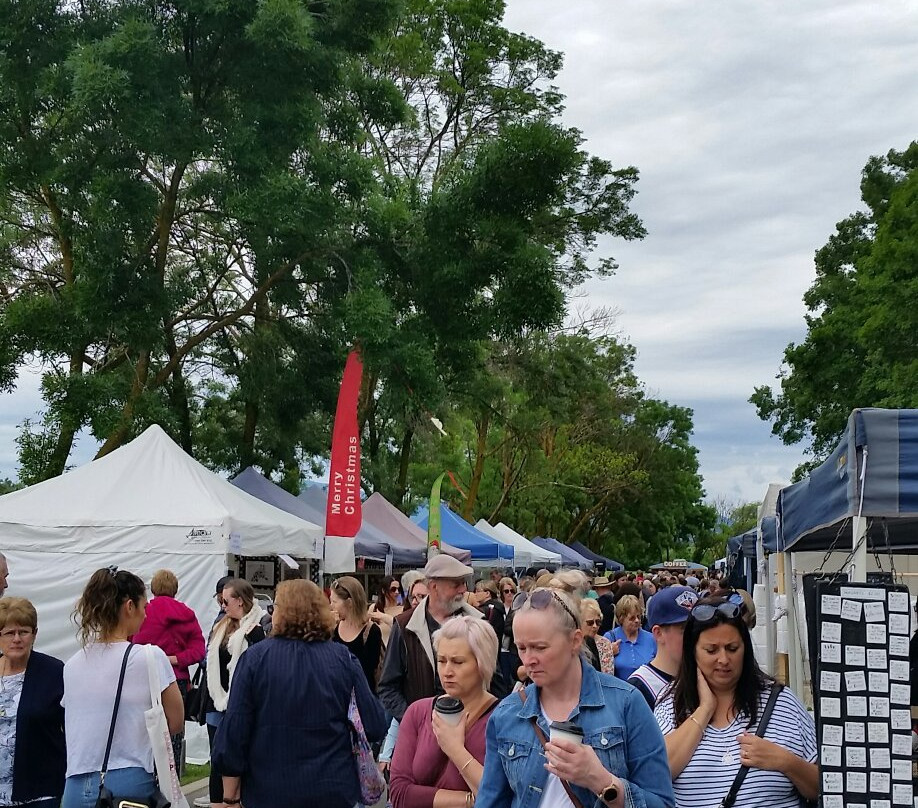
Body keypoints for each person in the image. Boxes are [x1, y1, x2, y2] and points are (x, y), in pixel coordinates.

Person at [476, 587, 674, 808]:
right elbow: (490, 801)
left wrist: (601, 781)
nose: (528, 659)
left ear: (575, 640)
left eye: (540, 647)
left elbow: (662, 802)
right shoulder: (508, 713)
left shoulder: (626, 703)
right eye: (521, 648)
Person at [213, 580, 386, 808]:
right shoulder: (343, 659)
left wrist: (230, 796)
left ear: (280, 613)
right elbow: (374, 724)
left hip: (269, 790)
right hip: (332, 789)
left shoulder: (255, 659)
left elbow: (235, 731)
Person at [654, 597, 818, 808]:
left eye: (732, 648)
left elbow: (823, 787)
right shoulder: (670, 704)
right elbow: (658, 773)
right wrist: (704, 710)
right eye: (711, 650)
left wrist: (786, 762)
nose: (723, 659)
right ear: (692, 653)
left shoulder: (782, 703)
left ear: (745, 649)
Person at [62, 568, 184, 808]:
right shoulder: (150, 657)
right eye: (144, 607)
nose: (146, 615)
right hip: (129, 781)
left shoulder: (73, 664)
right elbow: (176, 721)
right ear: (129, 606)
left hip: (75, 783)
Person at [378, 555, 504, 723]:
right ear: (434, 586)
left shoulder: (477, 622)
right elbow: (388, 687)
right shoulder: (405, 626)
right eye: (456, 584)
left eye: (464, 583)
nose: (463, 590)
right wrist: (417, 722)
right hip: (421, 734)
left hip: (471, 730)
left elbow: (496, 682)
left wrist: (483, 723)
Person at [389, 616, 498, 808]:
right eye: (441, 660)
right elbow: (399, 793)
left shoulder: (501, 719)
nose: (447, 671)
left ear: (483, 663)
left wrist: (456, 750)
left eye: (458, 662)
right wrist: (468, 800)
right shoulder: (418, 712)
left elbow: (499, 796)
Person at [132, 568, 205, 769]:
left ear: (153, 588)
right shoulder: (186, 614)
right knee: (174, 734)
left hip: (144, 677)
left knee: (143, 733)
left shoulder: (143, 612)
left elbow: (130, 643)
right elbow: (199, 650)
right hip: (176, 679)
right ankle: (173, 786)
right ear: (175, 588)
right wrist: (175, 659)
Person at [205, 577, 265, 807]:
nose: (222, 605)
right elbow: (209, 658)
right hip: (217, 701)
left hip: (242, 705)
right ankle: (218, 803)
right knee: (217, 759)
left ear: (240, 601)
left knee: (240, 759)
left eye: (226, 600)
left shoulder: (256, 627)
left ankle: (237, 800)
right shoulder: (221, 625)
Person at [0, 597, 65, 807]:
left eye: (24, 632)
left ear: (34, 634)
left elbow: (73, 727)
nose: (16, 639)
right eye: (10, 633)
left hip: (41, 794)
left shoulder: (54, 672)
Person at [628, 585, 698, 709]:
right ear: (658, 633)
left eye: (698, 628)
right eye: (685, 630)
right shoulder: (639, 688)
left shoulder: (703, 676)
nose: (695, 636)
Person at [330, 575, 384, 692]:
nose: (331, 606)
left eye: (334, 601)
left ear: (349, 602)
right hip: (336, 696)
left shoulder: (371, 631)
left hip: (362, 697)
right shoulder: (333, 628)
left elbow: (369, 669)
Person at [604, 594, 656, 681]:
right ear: (621, 619)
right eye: (632, 618)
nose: (637, 620)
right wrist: (609, 653)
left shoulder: (651, 638)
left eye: (639, 617)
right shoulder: (610, 637)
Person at [580, 597, 616, 674]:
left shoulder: (605, 644)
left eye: (598, 622)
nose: (595, 626)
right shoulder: (573, 643)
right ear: (580, 622)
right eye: (590, 623)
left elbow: (608, 675)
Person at [369, 575, 404, 645]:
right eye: (393, 589)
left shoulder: (403, 609)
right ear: (383, 591)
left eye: (399, 589)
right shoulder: (374, 608)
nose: (397, 592)